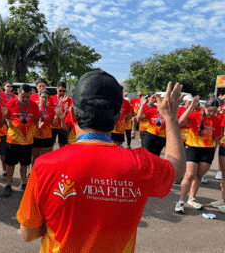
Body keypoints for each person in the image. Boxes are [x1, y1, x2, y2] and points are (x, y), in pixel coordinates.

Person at [17, 72, 180, 252]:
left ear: (73, 114)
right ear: (117, 118)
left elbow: (28, 233)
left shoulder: (45, 165)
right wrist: (170, 118)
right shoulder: (140, 164)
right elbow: (177, 169)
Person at [175, 98, 220, 213]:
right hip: (193, 148)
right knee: (189, 175)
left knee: (199, 176)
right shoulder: (195, 115)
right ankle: (181, 201)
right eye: (210, 111)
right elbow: (180, 122)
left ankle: (192, 198)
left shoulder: (217, 119)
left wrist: (213, 151)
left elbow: (216, 137)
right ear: (205, 107)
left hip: (208, 150)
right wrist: (191, 107)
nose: (211, 113)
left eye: (214, 111)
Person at [2, 85, 39, 197]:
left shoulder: (34, 105)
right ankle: (8, 184)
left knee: (24, 164)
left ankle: (23, 183)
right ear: (18, 92)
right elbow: (6, 119)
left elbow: (36, 119)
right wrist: (7, 121)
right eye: (23, 96)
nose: (25, 99)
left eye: (28, 97)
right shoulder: (11, 103)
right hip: (12, 140)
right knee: (10, 164)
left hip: (27, 141)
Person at [30, 89, 56, 183]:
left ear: (48, 99)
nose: (44, 99)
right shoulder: (34, 108)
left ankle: (44, 174)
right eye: (42, 97)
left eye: (46, 98)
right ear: (39, 97)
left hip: (47, 137)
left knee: (46, 158)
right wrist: (37, 124)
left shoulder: (51, 109)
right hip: (36, 136)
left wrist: (57, 117)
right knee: (35, 158)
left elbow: (53, 123)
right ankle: (33, 174)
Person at [51, 82, 72, 148]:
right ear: (57, 89)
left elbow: (71, 111)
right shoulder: (51, 98)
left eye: (64, 91)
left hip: (63, 125)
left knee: (62, 146)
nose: (62, 92)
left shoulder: (69, 99)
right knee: (51, 145)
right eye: (60, 91)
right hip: (53, 125)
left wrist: (67, 110)